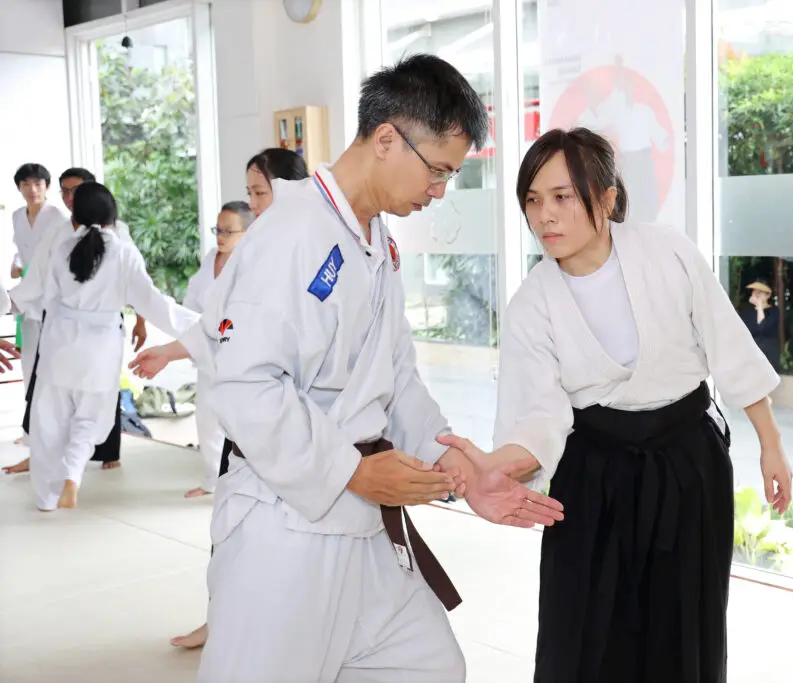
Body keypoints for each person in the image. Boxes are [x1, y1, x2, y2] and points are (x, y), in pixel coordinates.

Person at [131, 54, 564, 682]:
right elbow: (245, 384)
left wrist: (456, 467)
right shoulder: (292, 234)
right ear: (387, 138)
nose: (439, 192)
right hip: (287, 522)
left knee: (427, 665)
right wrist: (354, 472)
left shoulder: (374, 240)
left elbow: (396, 379)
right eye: (437, 172)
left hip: (360, 518)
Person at [438, 127, 793, 682]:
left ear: (605, 198)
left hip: (686, 464)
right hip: (592, 472)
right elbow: (538, 414)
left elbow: (730, 345)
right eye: (532, 200)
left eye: (562, 197)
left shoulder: (666, 251)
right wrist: (502, 463)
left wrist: (771, 443)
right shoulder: (533, 301)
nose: (544, 216)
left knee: (684, 627)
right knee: (582, 632)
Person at [164, 147, 309, 649]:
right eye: (249, 193)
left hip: (297, 420)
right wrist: (168, 350)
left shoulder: (309, 246)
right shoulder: (248, 255)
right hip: (247, 421)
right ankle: (220, 619)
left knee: (287, 538)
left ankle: (271, 631)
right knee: (230, 527)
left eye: (259, 192)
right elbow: (214, 325)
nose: (253, 203)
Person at [9, 182, 198, 511]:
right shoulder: (123, 252)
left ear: (75, 217)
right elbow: (154, 303)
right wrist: (205, 326)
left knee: (48, 420)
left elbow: (28, 292)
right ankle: (73, 475)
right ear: (113, 216)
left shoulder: (59, 245)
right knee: (90, 418)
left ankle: (46, 498)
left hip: (57, 345)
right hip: (100, 349)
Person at [3, 168, 141, 476]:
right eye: (65, 191)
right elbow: (32, 280)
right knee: (46, 391)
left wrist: (144, 323)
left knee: (99, 394)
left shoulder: (118, 236)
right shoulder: (58, 232)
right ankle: (45, 455)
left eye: (75, 192)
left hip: (100, 328)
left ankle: (104, 454)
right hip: (56, 324)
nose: (69, 198)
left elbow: (141, 288)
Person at [182, 201, 255, 499]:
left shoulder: (250, 263)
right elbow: (192, 301)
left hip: (237, 351)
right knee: (206, 418)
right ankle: (212, 479)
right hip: (205, 348)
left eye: (228, 231)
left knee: (238, 421)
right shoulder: (210, 258)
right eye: (217, 229)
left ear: (246, 232)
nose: (220, 236)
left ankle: (239, 482)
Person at [9, 163, 66, 445]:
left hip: (52, 297)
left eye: (38, 184)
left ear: (46, 186)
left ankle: (52, 429)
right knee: (28, 362)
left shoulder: (57, 217)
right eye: (26, 185)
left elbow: (60, 256)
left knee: (51, 363)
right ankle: (30, 430)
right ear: (19, 187)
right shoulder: (17, 216)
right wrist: (17, 265)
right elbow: (20, 250)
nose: (32, 190)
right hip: (26, 298)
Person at [740, 278, 782, 371]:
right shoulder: (747, 312)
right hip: (752, 357)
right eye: (754, 291)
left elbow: (762, 328)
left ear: (767, 295)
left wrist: (759, 307)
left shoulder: (774, 312)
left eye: (759, 292)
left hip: (769, 357)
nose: (756, 294)